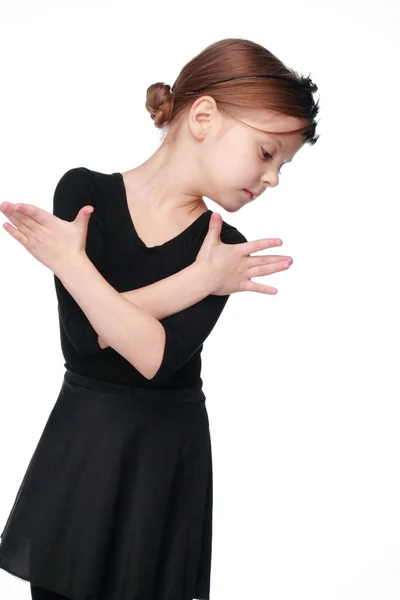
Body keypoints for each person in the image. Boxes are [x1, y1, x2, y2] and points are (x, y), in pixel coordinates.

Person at [0, 37, 320, 600]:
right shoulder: (84, 191)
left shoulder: (225, 247)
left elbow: (152, 356)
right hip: (84, 444)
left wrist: (75, 268)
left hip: (165, 458)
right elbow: (84, 342)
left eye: (283, 165)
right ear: (203, 117)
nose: (273, 179)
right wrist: (197, 281)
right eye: (268, 153)